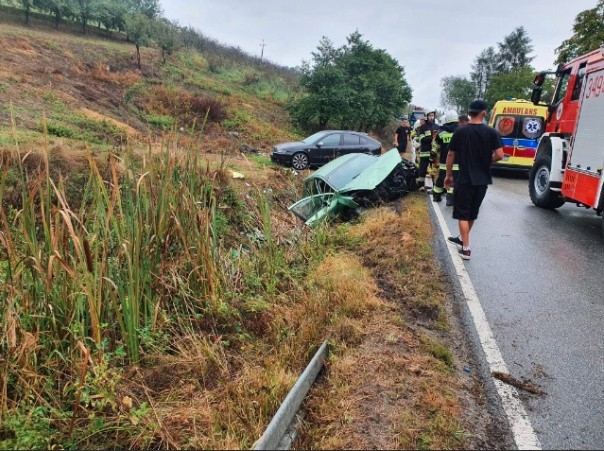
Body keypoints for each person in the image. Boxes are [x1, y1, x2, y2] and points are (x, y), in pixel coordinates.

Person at [444, 100, 504, 260]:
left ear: (469, 113)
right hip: (482, 180)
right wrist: (485, 161)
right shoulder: (491, 132)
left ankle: (466, 249)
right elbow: (500, 155)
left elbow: (451, 155)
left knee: (462, 214)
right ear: (484, 113)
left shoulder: (460, 132)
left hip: (464, 179)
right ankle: (462, 239)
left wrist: (448, 175)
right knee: (471, 214)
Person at [431, 111, 459, 204]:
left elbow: (436, 146)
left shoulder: (441, 132)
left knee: (440, 179)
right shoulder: (461, 131)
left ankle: (436, 196)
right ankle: (450, 200)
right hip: (457, 162)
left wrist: (434, 158)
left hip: (444, 161)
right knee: (453, 181)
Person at [415, 111, 439, 191]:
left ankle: (435, 187)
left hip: (434, 153)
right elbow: (422, 139)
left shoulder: (437, 127)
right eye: (430, 115)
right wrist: (432, 137)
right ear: (427, 117)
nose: (431, 117)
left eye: (433, 115)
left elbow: (439, 139)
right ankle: (421, 186)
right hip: (425, 152)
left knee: (434, 171)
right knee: (422, 169)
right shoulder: (423, 127)